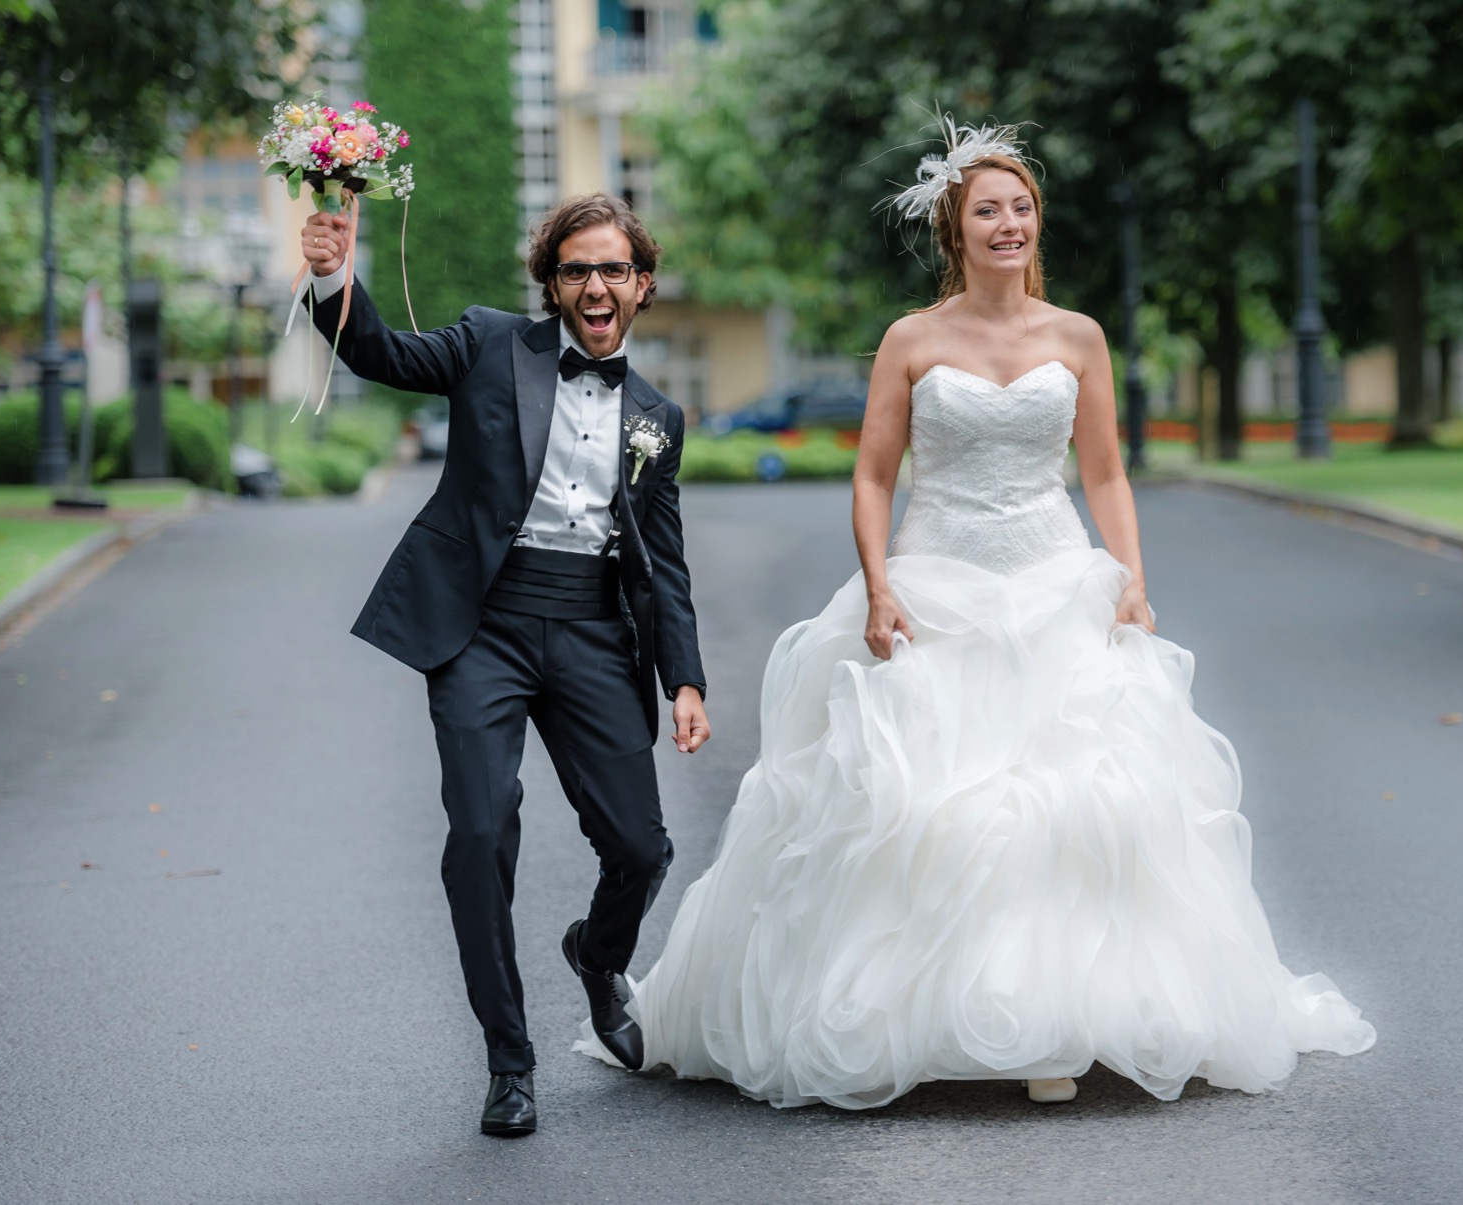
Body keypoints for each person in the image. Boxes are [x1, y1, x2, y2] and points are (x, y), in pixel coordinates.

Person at [577, 120, 1374, 1108]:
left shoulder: (1076, 337)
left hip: (1051, 579)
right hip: (935, 580)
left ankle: (1063, 1022)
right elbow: (873, 476)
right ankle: (913, 1018)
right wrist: (877, 582)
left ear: (1037, 224)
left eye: (1021, 207)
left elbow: (1105, 470)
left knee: (1082, 803)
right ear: (955, 230)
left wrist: (1125, 573)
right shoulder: (913, 340)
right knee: (912, 803)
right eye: (986, 209)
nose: (1007, 223)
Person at [299, 194, 709, 1136]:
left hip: (595, 634)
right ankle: (509, 1060)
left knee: (641, 847)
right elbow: (382, 353)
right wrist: (331, 276)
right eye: (575, 269)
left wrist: (683, 679)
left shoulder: (657, 416)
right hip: (481, 625)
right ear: (552, 284)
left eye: (612, 269)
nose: (594, 285)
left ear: (641, 285)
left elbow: (665, 559)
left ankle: (597, 958)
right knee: (479, 835)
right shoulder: (490, 346)